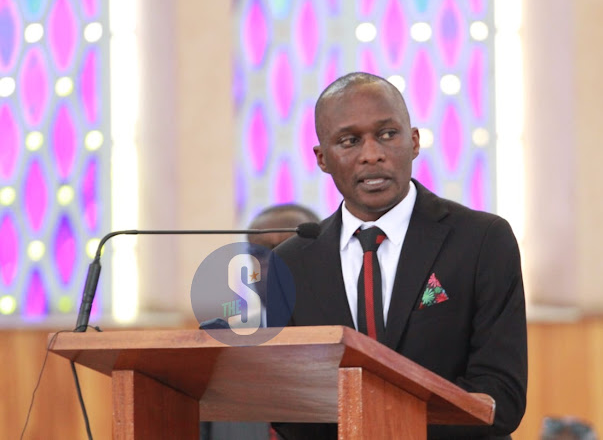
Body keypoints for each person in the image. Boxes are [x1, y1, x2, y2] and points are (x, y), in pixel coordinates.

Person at [272, 72, 527, 439]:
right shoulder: (291, 263)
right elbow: (288, 404)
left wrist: (390, 428)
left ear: (414, 141)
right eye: (349, 141)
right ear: (322, 158)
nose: (372, 154)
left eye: (387, 135)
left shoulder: (482, 241)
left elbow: (501, 396)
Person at [200, 203, 320, 440]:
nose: (274, 262)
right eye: (260, 254)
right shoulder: (219, 344)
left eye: (288, 248)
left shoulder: (348, 333)